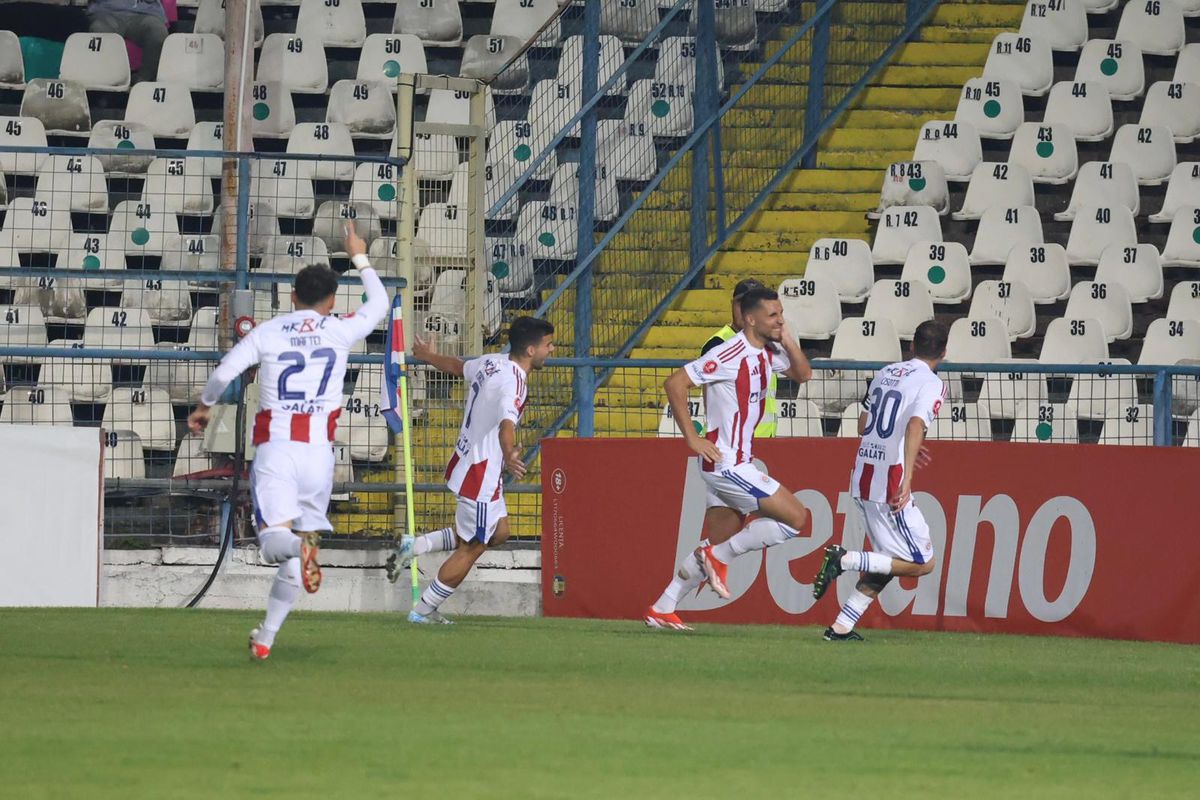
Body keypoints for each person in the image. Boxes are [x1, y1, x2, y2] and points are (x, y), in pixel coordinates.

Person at [187, 224, 388, 661]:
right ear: (331, 300)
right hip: (320, 456)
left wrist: (205, 406)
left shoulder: (271, 332)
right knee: (295, 553)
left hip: (278, 449)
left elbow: (225, 371)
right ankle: (265, 638)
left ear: (292, 296)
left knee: (275, 543)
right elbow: (381, 303)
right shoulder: (340, 329)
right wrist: (359, 256)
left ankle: (300, 547)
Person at [645, 287, 813, 631]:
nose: (779, 320)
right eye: (772, 315)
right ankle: (716, 559)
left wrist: (790, 340)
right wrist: (692, 438)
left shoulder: (768, 352)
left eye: (781, 313)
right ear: (750, 319)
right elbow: (675, 383)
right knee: (796, 518)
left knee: (721, 540)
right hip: (727, 464)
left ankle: (662, 607)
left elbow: (803, 375)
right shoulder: (728, 353)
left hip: (734, 463)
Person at [399, 316, 555, 624]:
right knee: (474, 546)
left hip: (468, 461)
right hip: (480, 473)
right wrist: (510, 452)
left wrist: (429, 356)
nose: (552, 350)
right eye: (548, 345)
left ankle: (416, 545)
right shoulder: (514, 382)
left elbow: (458, 367)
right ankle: (423, 610)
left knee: (500, 532)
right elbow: (507, 424)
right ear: (530, 349)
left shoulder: (491, 362)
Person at [811, 319, 948, 641]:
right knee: (921, 563)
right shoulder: (931, 382)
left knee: (889, 562)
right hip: (890, 481)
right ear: (944, 352)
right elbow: (915, 424)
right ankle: (845, 558)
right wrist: (909, 474)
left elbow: (863, 425)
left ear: (911, 346)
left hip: (864, 475)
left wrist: (903, 444)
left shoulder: (886, 373)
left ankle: (841, 627)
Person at [700, 278, 778, 438]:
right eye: (741, 303)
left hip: (766, 440)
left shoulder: (768, 344)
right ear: (732, 304)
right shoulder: (718, 344)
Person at [86, 0, 169, 84]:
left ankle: (144, 82)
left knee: (158, 33)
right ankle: (107, 83)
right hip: (106, 12)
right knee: (99, 30)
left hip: (145, 13)